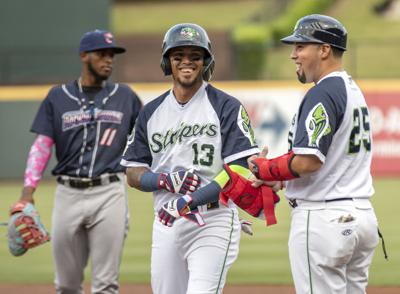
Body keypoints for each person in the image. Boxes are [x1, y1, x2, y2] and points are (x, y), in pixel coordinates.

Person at [120, 23, 260, 294]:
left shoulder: (226, 106)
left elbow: (239, 168)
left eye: (195, 56)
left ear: (206, 62)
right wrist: (166, 180)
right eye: (178, 56)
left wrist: (190, 200)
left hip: (214, 219)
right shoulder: (150, 112)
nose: (187, 62)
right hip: (166, 219)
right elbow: (133, 173)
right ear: (167, 62)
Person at [248, 14, 379, 293]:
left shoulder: (324, 92)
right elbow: (333, 159)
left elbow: (308, 161)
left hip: (324, 219)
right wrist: (282, 180)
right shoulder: (351, 89)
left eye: (300, 46)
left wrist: (266, 168)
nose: (293, 54)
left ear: (324, 50)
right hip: (362, 217)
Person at [16, 29, 142, 293]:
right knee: (66, 284)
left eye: (112, 55)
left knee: (106, 284)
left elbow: (146, 141)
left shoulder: (125, 96)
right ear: (84, 55)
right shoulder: (58, 96)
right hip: (67, 194)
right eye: (101, 54)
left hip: (110, 192)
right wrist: (27, 194)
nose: (108, 59)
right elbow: (41, 146)